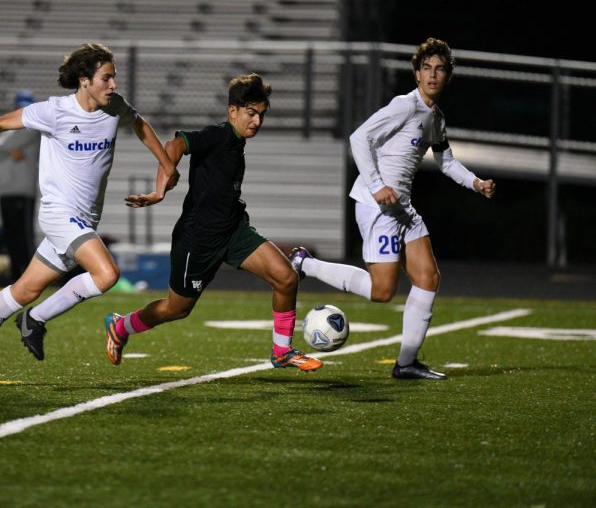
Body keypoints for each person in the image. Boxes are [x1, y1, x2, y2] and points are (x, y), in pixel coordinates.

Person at [0, 43, 179, 389]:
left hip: (82, 221)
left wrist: (167, 167)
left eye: (114, 77)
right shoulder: (55, 111)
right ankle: (35, 319)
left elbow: (140, 125)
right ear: (84, 80)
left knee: (23, 290)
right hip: (58, 215)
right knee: (106, 274)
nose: (113, 84)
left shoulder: (115, 107)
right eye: (106, 78)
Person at [288, 38, 496, 380]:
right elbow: (359, 138)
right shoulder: (404, 106)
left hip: (402, 209)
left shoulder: (436, 118)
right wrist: (376, 184)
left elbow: (445, 160)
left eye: (439, 69)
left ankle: (407, 363)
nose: (432, 74)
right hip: (377, 206)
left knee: (428, 278)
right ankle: (304, 262)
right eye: (426, 68)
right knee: (383, 291)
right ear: (416, 74)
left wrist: (474, 183)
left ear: (447, 76)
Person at [103, 73, 322, 373]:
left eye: (261, 114)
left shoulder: (237, 143)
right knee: (176, 308)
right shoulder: (218, 135)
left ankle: (281, 352)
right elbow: (174, 145)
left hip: (233, 231)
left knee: (286, 278)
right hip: (198, 240)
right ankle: (122, 325)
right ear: (233, 111)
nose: (257, 121)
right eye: (251, 113)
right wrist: (160, 190)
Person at [0, 90, 40, 282]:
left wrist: (3, 148)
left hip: (23, 190)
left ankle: (27, 275)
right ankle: (15, 275)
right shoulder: (9, 129)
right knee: (10, 235)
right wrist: (7, 151)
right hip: (6, 189)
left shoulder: (33, 127)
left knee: (24, 236)